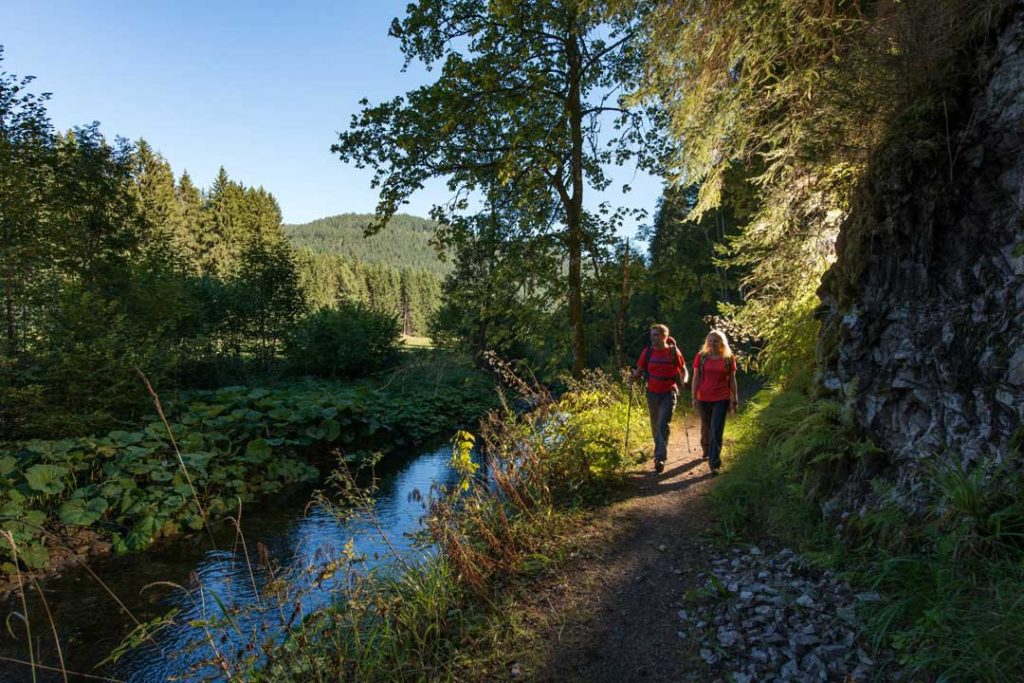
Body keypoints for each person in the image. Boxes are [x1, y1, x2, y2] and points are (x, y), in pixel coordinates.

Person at [632, 324, 689, 473]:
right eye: (652, 335)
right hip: (652, 393)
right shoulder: (647, 352)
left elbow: (683, 370)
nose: (653, 338)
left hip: (669, 392)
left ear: (664, 336)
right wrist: (632, 377)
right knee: (655, 425)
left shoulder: (673, 352)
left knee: (663, 424)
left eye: (656, 335)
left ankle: (660, 458)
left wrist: (684, 380)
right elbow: (639, 372)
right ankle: (660, 451)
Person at [691, 329, 738, 476]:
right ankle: (706, 447)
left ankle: (715, 463)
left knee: (717, 429)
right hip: (703, 397)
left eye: (715, 341)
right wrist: (693, 397)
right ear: (707, 342)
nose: (712, 343)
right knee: (707, 427)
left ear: (721, 343)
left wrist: (734, 397)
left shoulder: (728, 358)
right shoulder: (701, 357)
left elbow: (732, 379)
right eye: (710, 341)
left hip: (721, 398)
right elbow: (696, 378)